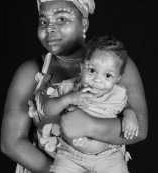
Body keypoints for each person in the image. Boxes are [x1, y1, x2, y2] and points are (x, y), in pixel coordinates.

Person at [0, 0, 148, 173]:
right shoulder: (31, 71)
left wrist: (89, 125)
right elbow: (11, 142)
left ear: (83, 24)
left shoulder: (115, 63)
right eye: (43, 22)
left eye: (61, 19)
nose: (50, 29)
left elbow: (140, 129)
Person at [40, 36, 138, 172]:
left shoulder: (118, 93)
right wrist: (68, 99)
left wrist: (130, 115)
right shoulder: (69, 87)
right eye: (92, 70)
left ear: (118, 78)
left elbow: (125, 107)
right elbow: (47, 110)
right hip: (70, 156)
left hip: (108, 157)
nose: (97, 80)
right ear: (82, 67)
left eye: (108, 76)